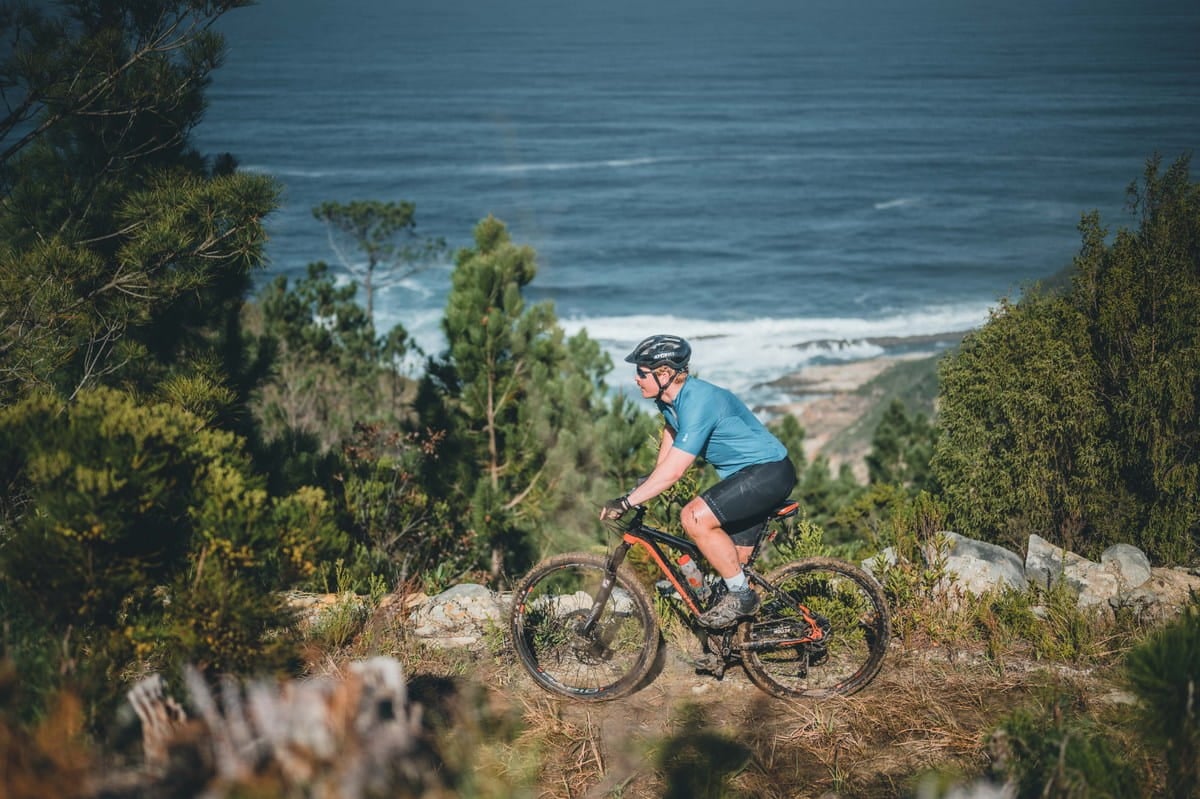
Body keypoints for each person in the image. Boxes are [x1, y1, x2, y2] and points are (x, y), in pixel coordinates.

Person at [599, 334, 797, 628]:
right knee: (731, 577)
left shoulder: (699, 401)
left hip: (767, 473)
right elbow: (667, 454)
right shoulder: (668, 402)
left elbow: (675, 471)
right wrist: (640, 491)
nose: (636, 379)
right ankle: (731, 649)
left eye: (642, 372)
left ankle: (744, 599)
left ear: (664, 373)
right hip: (749, 478)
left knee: (693, 517)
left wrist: (628, 502)